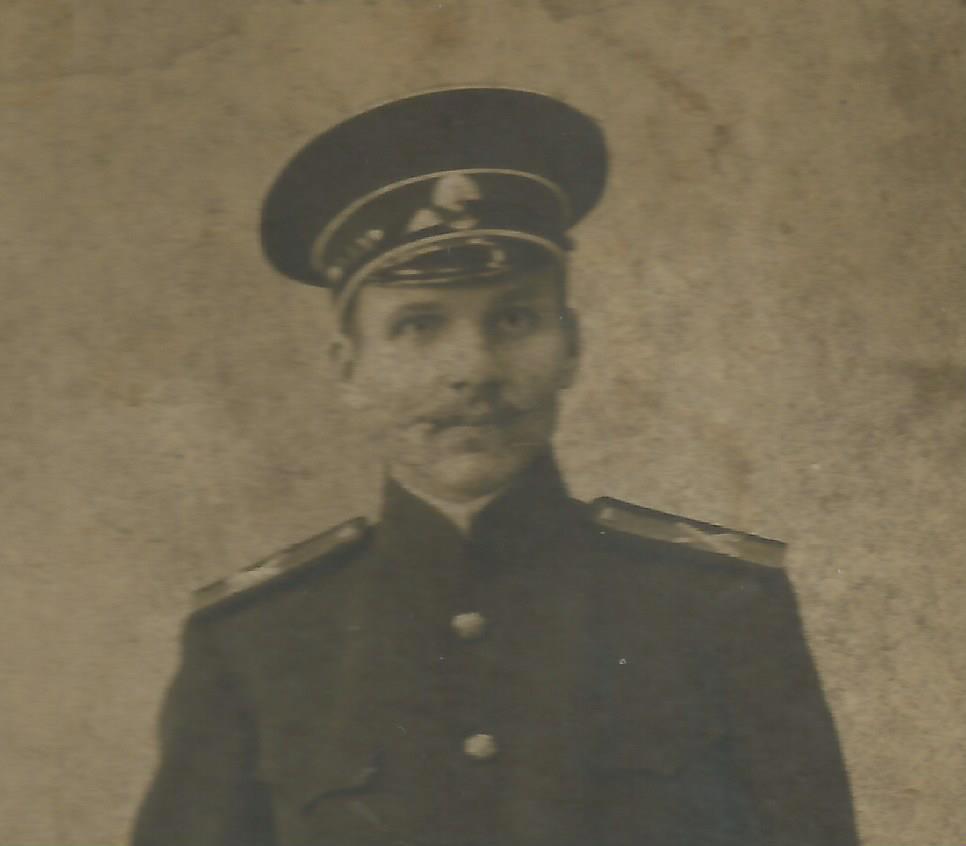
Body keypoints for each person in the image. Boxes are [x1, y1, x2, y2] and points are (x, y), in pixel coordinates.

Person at [131, 88, 858, 846]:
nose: (474, 369)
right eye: (419, 326)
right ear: (349, 368)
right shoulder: (255, 642)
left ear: (570, 346)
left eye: (514, 319)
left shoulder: (717, 606)